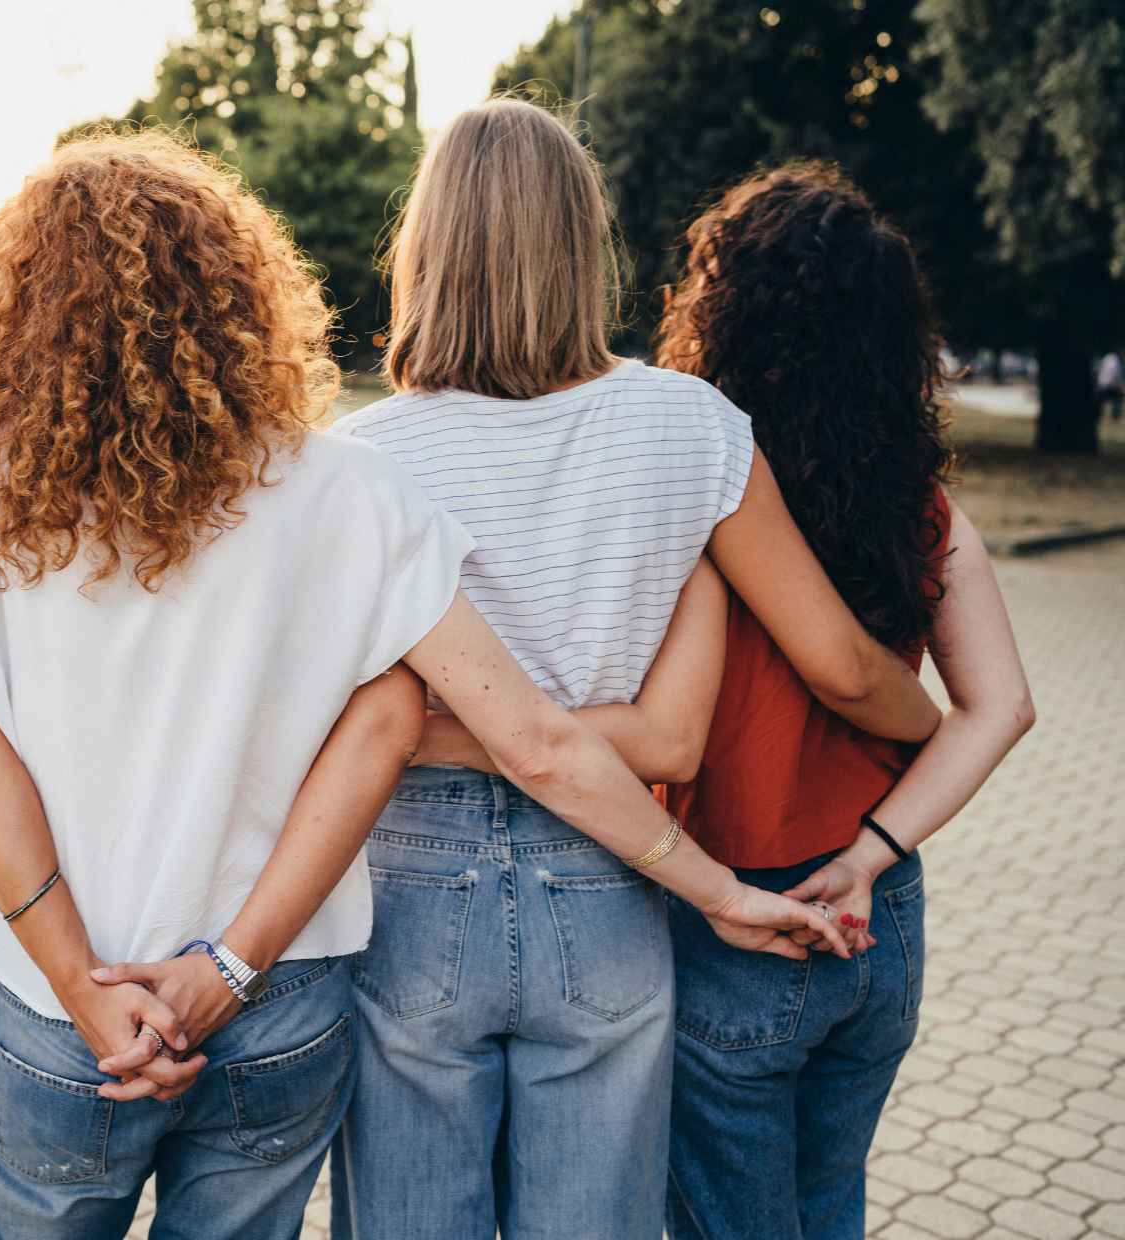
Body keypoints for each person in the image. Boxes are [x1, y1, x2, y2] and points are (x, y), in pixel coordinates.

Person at [0, 132, 849, 1240]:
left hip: (54, 1017)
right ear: (242, 293)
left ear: (10, 320)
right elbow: (531, 741)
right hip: (278, 1007)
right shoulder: (351, 494)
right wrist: (717, 890)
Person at [329, 99, 942, 1240]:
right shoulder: (693, 428)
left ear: (427, 248)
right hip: (612, 876)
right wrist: (939, 727)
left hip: (410, 886)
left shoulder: (362, 461)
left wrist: (451, 730)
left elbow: (353, 727)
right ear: (582, 244)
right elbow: (696, 730)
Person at [651, 162, 1034, 1239]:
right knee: (829, 1209)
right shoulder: (922, 504)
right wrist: (870, 852)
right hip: (879, 917)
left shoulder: (705, 488)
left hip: (741, 918)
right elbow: (1000, 708)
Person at [1098, 351, 1122, 420]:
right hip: (1110, 385)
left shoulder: (1106, 358)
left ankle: (1101, 414)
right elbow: (1116, 374)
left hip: (1101, 384)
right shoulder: (1116, 360)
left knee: (1102, 400)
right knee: (1118, 397)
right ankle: (1115, 416)